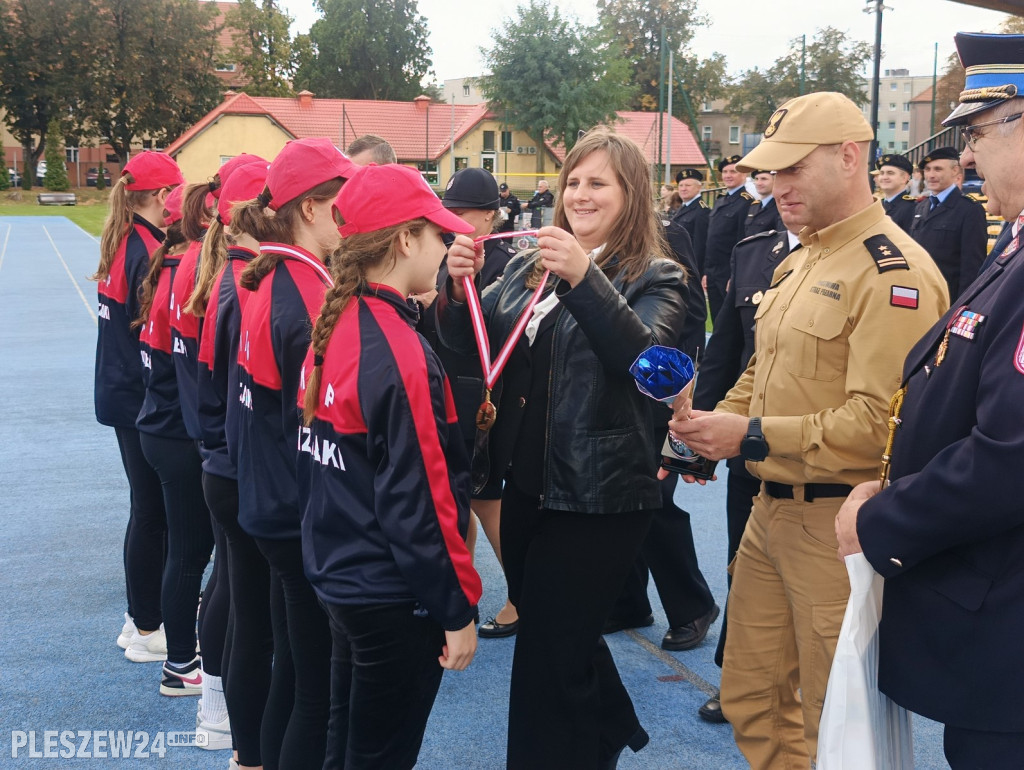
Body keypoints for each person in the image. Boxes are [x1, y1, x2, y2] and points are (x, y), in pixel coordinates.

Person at [667, 92, 948, 767]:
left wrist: (750, 436)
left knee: (839, 723)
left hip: (837, 528)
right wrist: (710, 422)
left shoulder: (893, 272)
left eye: (792, 168)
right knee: (751, 697)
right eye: (771, 170)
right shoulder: (800, 260)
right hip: (770, 514)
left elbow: (881, 426)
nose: (775, 184)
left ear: (851, 158)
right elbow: (760, 370)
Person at [438, 126, 688, 769]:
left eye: (597, 182)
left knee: (548, 650)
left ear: (631, 195)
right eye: (573, 180)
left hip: (600, 496)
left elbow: (650, 368)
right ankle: (607, 730)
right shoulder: (528, 265)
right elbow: (473, 349)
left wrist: (585, 279)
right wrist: (452, 287)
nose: (579, 193)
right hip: (524, 483)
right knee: (565, 641)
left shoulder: (657, 275)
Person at [835, 31, 1024, 769]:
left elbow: (1011, 455)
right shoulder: (1012, 243)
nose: (968, 157)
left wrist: (883, 517)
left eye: (978, 132)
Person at [298, 162, 482, 770]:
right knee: (380, 753)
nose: (449, 244)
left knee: (346, 738)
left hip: (340, 570)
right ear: (405, 240)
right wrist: (456, 609)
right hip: (388, 590)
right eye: (437, 234)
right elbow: (422, 503)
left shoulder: (338, 322)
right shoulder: (398, 353)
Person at [235, 137, 356, 769]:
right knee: (317, 692)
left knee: (294, 672)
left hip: (268, 500)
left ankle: (251, 758)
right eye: (343, 204)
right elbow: (318, 431)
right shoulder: (307, 297)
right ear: (310, 209)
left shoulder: (268, 276)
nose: (352, 218)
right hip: (295, 511)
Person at [690, 226, 800, 723]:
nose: (783, 186)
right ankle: (736, 680)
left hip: (817, 459)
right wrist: (698, 444)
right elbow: (728, 356)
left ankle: (798, 689)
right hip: (746, 447)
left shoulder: (874, 259)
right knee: (743, 565)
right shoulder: (756, 252)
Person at [606, 197, 718, 652]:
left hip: (663, 396)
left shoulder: (668, 233)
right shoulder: (592, 237)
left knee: (655, 502)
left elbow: (690, 318)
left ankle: (692, 606)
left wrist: (681, 392)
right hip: (612, 396)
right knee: (621, 498)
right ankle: (630, 601)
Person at [194, 157, 274, 767]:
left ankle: (223, 718)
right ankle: (237, 736)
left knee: (235, 593)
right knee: (252, 614)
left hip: (223, 462)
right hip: (238, 467)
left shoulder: (227, 273)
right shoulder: (249, 286)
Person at [419, 167, 519, 637]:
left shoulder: (506, 262)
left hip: (481, 396)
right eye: (448, 212)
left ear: (490, 216)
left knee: (486, 499)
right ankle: (467, 586)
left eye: (463, 213)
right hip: (449, 390)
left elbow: (495, 333)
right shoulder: (450, 254)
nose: (453, 221)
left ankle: (521, 594)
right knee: (461, 500)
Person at [93, 152, 180, 660]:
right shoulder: (147, 250)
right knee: (154, 511)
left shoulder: (122, 239)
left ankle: (139, 616)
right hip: (137, 394)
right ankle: (148, 626)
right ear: (162, 196)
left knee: (145, 508)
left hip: (118, 387)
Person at [134, 183, 216, 696]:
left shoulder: (165, 268)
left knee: (184, 550)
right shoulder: (190, 278)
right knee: (189, 553)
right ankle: (181, 665)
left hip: (159, 426)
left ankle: (182, 653)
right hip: (177, 435)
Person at [911, 145, 988, 301]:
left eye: (938, 169)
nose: (931, 175)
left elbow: (971, 267)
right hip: (920, 296)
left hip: (947, 299)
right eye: (927, 169)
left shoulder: (969, 210)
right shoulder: (921, 206)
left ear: (955, 172)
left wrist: (961, 305)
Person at [704, 155, 753, 321]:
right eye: (725, 171)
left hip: (728, 271)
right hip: (713, 271)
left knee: (730, 321)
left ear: (744, 175)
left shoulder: (746, 202)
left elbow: (742, 241)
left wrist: (735, 275)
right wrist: (706, 272)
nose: (728, 175)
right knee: (717, 318)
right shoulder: (720, 201)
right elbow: (711, 239)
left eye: (733, 171)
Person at [673, 168, 710, 275]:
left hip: (689, 269)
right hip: (679, 265)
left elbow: (700, 246)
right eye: (681, 185)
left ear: (699, 187)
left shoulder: (702, 211)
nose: (683, 189)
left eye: (688, 185)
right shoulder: (683, 208)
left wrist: (695, 272)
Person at [872, 153, 917, 233]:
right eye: (882, 173)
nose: (884, 177)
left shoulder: (913, 207)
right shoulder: (876, 205)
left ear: (904, 178)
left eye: (890, 173)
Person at [744, 170, 782, 237]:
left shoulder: (780, 206)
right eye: (756, 179)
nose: (759, 183)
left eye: (764, 179)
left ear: (775, 181)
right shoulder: (754, 206)